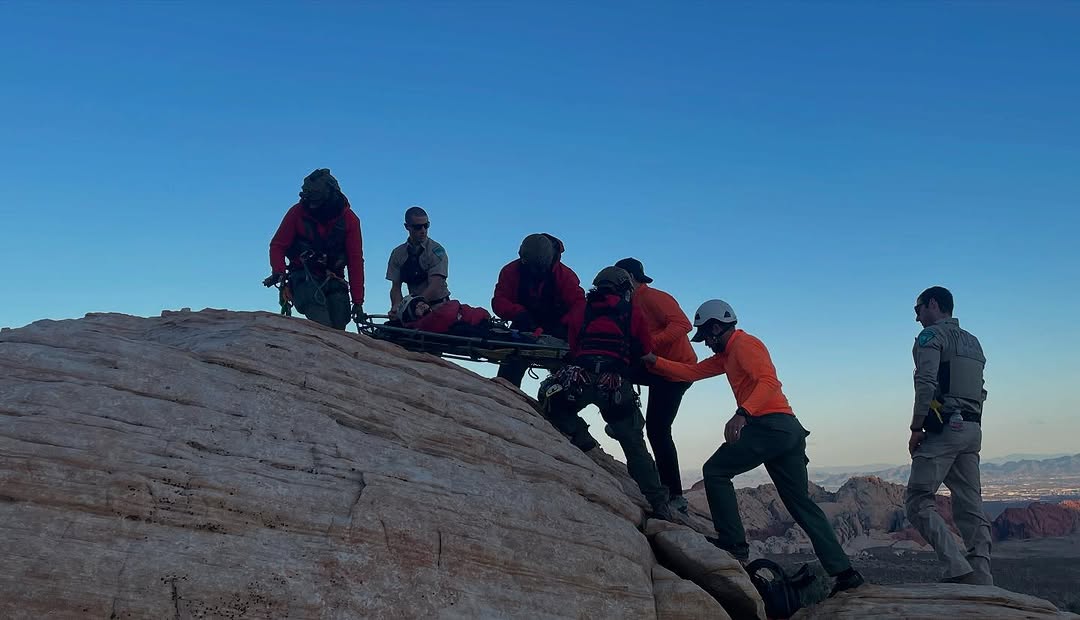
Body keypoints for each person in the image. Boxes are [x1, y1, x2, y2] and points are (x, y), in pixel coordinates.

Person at [642, 299, 864, 596]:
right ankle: (846, 574)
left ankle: (734, 544)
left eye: (707, 336)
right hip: (787, 430)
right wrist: (654, 362)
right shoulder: (727, 354)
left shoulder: (744, 345)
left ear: (717, 327)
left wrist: (743, 413)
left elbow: (768, 382)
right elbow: (691, 372)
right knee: (802, 505)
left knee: (715, 471)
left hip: (769, 426)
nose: (706, 343)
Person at [539, 267, 680, 522]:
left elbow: (573, 345)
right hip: (615, 385)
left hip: (578, 381)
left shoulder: (580, 310)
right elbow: (644, 348)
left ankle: (581, 436)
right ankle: (659, 503)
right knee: (635, 447)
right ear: (624, 289)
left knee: (549, 399)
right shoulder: (632, 313)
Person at [906, 286, 992, 585]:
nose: (917, 318)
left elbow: (926, 381)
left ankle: (958, 570)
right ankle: (982, 575)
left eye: (918, 309)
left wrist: (917, 426)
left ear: (933, 304)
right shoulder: (973, 341)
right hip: (972, 429)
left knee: (917, 500)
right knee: (970, 504)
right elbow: (980, 389)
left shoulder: (932, 336)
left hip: (946, 428)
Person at [615, 257, 696, 515]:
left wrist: (651, 343)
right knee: (616, 370)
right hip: (655, 367)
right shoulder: (629, 302)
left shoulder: (651, 297)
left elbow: (683, 325)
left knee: (659, 430)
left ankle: (675, 495)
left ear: (628, 276)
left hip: (675, 372)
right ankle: (621, 416)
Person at [264, 168, 364, 330]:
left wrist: (358, 300)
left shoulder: (349, 220)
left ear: (331, 195)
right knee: (322, 325)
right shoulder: (298, 212)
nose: (311, 205)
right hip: (303, 277)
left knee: (339, 322)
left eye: (316, 200)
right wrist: (279, 271)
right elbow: (277, 246)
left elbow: (355, 261)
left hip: (334, 279)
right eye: (308, 199)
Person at [492, 233, 584, 386]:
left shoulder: (565, 277)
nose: (534, 271)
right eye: (530, 267)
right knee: (506, 378)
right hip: (523, 329)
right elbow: (499, 301)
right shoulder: (510, 271)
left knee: (566, 382)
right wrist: (518, 313)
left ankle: (558, 404)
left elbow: (579, 306)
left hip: (557, 332)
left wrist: (565, 325)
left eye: (539, 268)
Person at [387, 206, 450, 313]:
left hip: (438, 307)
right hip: (414, 309)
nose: (423, 230)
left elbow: (435, 285)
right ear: (407, 227)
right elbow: (395, 287)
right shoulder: (398, 254)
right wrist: (396, 308)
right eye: (418, 227)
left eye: (426, 226)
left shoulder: (436, 251)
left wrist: (411, 305)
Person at [395, 294, 492, 335]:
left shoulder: (428, 319)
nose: (423, 306)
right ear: (411, 316)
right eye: (417, 307)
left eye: (423, 303)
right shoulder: (424, 323)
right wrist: (453, 303)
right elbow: (447, 315)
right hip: (478, 320)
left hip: (479, 318)